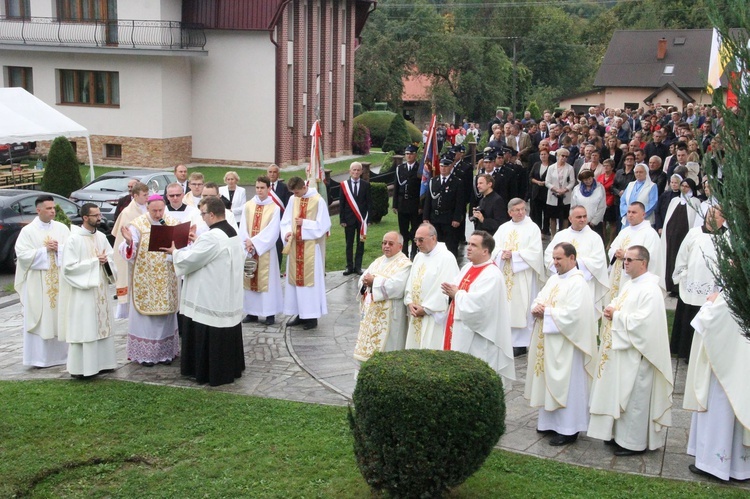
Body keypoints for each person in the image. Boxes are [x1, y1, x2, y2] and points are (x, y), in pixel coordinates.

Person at [589, 246, 674, 456]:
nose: (625, 263)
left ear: (643, 263)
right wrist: (612, 309)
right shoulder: (630, 285)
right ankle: (617, 436)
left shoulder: (651, 290)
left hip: (639, 354)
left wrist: (616, 315)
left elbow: (645, 324)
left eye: (629, 260)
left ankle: (632, 443)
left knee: (635, 398)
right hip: (623, 351)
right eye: (624, 259)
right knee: (621, 393)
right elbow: (619, 303)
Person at [169, 197, 246, 387]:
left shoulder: (212, 236)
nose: (202, 218)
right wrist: (198, 242)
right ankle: (232, 368)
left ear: (212, 214)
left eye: (203, 213)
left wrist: (174, 252)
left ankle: (207, 371)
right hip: (227, 292)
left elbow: (191, 259)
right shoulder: (231, 231)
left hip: (211, 295)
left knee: (209, 327)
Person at [526, 243, 598, 446]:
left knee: (569, 385)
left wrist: (546, 312)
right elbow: (539, 299)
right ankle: (549, 422)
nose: (555, 262)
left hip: (569, 345)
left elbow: (576, 315)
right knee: (549, 381)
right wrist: (536, 307)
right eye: (554, 258)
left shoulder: (578, 283)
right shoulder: (554, 279)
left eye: (559, 259)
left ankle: (569, 428)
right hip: (550, 342)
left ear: (572, 259)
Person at [684, 292, 750, 482]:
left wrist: (710, 304)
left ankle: (715, 465)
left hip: (723, 367)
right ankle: (739, 466)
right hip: (740, 363)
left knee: (720, 409)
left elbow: (707, 322)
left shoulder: (731, 292)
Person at [441, 230, 514, 387]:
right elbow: (457, 287)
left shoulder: (492, 275)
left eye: (474, 245)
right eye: (468, 243)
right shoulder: (468, 268)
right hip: (459, 329)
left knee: (474, 377)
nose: (468, 248)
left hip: (479, 336)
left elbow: (479, 307)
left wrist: (456, 294)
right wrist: (451, 290)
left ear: (485, 251)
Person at [119, 194, 181, 366]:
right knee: (146, 320)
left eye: (161, 210)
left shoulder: (172, 223)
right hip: (145, 279)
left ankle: (166, 353)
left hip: (166, 278)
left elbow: (181, 247)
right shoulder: (138, 225)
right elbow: (125, 250)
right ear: (147, 208)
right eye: (154, 210)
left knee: (165, 318)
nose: (158, 214)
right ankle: (146, 355)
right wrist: (130, 242)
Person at [58, 203, 117, 378]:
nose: (100, 218)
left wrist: (107, 262)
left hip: (100, 290)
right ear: (85, 218)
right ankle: (83, 368)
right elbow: (68, 268)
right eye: (95, 215)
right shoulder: (74, 240)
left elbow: (111, 258)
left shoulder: (101, 236)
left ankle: (105, 363)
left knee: (102, 325)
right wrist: (94, 262)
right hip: (83, 293)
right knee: (86, 328)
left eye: (99, 215)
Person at [14, 195, 70, 367]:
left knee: (61, 316)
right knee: (41, 316)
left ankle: (63, 357)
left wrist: (59, 249)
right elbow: (22, 255)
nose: (53, 211)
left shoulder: (62, 228)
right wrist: (44, 251)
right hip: (38, 284)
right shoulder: (28, 231)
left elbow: (72, 249)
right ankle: (39, 359)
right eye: (48, 208)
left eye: (53, 208)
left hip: (59, 281)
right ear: (38, 210)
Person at [670, 207, 726, 362]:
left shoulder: (728, 237)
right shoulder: (694, 233)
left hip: (712, 289)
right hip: (692, 284)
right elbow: (682, 255)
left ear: (723, 219)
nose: (710, 218)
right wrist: (682, 275)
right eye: (709, 215)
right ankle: (684, 352)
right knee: (688, 316)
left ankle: (704, 354)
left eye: (715, 216)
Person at [491, 199, 545, 356]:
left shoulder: (532, 228)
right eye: (516, 210)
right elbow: (493, 248)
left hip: (523, 275)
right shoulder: (503, 228)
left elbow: (535, 253)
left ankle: (521, 343)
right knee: (506, 306)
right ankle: (505, 340)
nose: (521, 212)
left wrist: (514, 255)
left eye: (523, 209)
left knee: (522, 307)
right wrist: (501, 254)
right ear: (510, 212)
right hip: (505, 273)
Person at [353, 231, 412, 362]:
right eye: (384, 243)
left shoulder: (405, 265)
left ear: (400, 246)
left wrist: (374, 281)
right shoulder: (378, 261)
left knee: (387, 352)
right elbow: (363, 278)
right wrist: (368, 281)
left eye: (390, 244)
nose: (386, 246)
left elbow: (396, 287)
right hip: (371, 314)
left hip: (390, 317)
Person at [281, 176, 331, 330]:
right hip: (295, 246)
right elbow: (286, 221)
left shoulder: (318, 200)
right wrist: (287, 233)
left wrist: (305, 223)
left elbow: (324, 224)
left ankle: (311, 316)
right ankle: (299, 314)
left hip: (310, 248)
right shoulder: (292, 200)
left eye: (297, 192)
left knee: (309, 284)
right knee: (295, 282)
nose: (295, 195)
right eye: (293, 193)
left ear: (304, 187)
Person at [404, 223, 459, 350]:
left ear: (433, 238)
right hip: (415, 312)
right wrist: (410, 302)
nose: (417, 243)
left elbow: (445, 289)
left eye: (421, 240)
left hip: (433, 316)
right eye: (416, 240)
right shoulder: (418, 256)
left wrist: (427, 309)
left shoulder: (446, 258)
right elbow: (411, 282)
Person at [544, 206, 609, 314]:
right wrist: (562, 265)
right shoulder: (561, 235)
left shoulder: (594, 237)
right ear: (570, 219)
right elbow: (548, 256)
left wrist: (575, 263)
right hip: (562, 282)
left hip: (585, 283)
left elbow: (599, 262)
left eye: (584, 216)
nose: (582, 219)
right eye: (579, 217)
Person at [239, 175, 282, 326]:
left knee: (267, 282)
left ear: (269, 189)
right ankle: (252, 313)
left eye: (262, 188)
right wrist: (247, 242)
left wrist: (255, 242)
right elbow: (243, 226)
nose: (259, 190)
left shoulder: (274, 208)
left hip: (266, 251)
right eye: (257, 187)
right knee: (249, 278)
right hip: (250, 250)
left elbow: (273, 230)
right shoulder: (248, 206)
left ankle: (269, 313)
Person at [607, 202, 663, 301]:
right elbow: (612, 249)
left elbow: (651, 258)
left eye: (634, 212)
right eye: (628, 212)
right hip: (619, 273)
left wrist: (626, 255)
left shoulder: (650, 234)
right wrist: (616, 252)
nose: (630, 215)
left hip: (635, 278)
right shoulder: (624, 231)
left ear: (643, 215)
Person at [111, 182, 149, 318]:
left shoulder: (147, 208)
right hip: (133, 253)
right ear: (135, 196)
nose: (147, 197)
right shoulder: (128, 212)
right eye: (144, 195)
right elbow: (121, 235)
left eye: (147, 194)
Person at [423, 157, 465, 258]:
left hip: (449, 218)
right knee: (435, 244)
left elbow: (459, 202)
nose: (443, 168)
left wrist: (456, 218)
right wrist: (425, 217)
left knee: (450, 245)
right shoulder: (434, 180)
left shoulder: (457, 182)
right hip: (435, 218)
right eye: (441, 166)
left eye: (446, 166)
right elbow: (428, 200)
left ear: (451, 167)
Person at [340, 161, 371, 275]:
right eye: (354, 170)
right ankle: (349, 266)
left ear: (361, 171)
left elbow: (369, 203)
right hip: (348, 220)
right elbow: (342, 204)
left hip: (362, 220)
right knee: (349, 244)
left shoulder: (366, 185)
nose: (356, 172)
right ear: (350, 171)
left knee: (360, 243)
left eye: (358, 170)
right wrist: (342, 220)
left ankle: (358, 267)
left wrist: (369, 219)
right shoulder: (344, 185)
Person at [392, 144, 422, 258]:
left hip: (415, 205)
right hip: (402, 204)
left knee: (415, 231)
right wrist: (395, 204)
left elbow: (422, 190)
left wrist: (421, 206)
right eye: (407, 154)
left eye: (411, 154)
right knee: (403, 231)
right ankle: (404, 253)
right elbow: (396, 187)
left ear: (415, 155)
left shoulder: (420, 168)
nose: (409, 156)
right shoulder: (400, 168)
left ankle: (414, 252)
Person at [545, 148, 575, 237]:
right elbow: (547, 182)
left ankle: (564, 236)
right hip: (553, 195)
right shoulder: (551, 167)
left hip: (565, 195)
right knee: (553, 216)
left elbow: (572, 182)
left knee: (565, 217)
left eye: (566, 156)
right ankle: (553, 236)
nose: (564, 158)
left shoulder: (570, 168)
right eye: (562, 156)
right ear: (558, 156)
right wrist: (556, 189)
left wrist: (564, 190)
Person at [267, 164, 291, 269]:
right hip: (267, 222)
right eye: (270, 172)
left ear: (278, 174)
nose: (272, 174)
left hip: (280, 222)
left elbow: (287, 206)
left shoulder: (284, 187)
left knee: (278, 247)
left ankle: (277, 269)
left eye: (274, 172)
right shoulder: (264, 187)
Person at [570, 170, 606, 235]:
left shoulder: (600, 188)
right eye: (586, 180)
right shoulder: (576, 189)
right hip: (580, 223)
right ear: (582, 180)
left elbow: (602, 206)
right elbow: (573, 207)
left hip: (595, 224)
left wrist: (594, 222)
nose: (588, 181)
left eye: (590, 179)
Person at [529, 146, 551, 235]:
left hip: (547, 192)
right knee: (537, 213)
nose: (543, 156)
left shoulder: (552, 165)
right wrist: (537, 182)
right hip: (537, 191)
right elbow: (530, 177)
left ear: (548, 155)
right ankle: (538, 229)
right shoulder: (536, 164)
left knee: (547, 213)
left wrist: (546, 182)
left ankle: (546, 229)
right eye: (541, 154)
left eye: (544, 154)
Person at [597, 159, 618, 248]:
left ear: (612, 167)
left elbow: (614, 191)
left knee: (612, 223)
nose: (605, 167)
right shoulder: (600, 176)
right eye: (604, 165)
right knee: (603, 223)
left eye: (607, 166)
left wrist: (608, 203)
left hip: (611, 202)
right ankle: (603, 241)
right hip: (601, 202)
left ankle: (611, 242)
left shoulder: (615, 176)